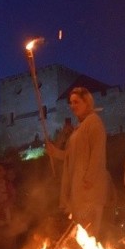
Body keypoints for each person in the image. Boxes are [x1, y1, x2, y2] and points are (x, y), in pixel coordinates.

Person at [45, 87, 109, 237]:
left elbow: (97, 152)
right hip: (78, 189)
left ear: (87, 102)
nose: (72, 106)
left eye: (76, 102)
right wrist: (54, 152)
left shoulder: (94, 122)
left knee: (89, 234)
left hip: (89, 190)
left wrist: (89, 179)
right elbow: (71, 156)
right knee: (81, 234)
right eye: (71, 103)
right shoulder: (79, 128)